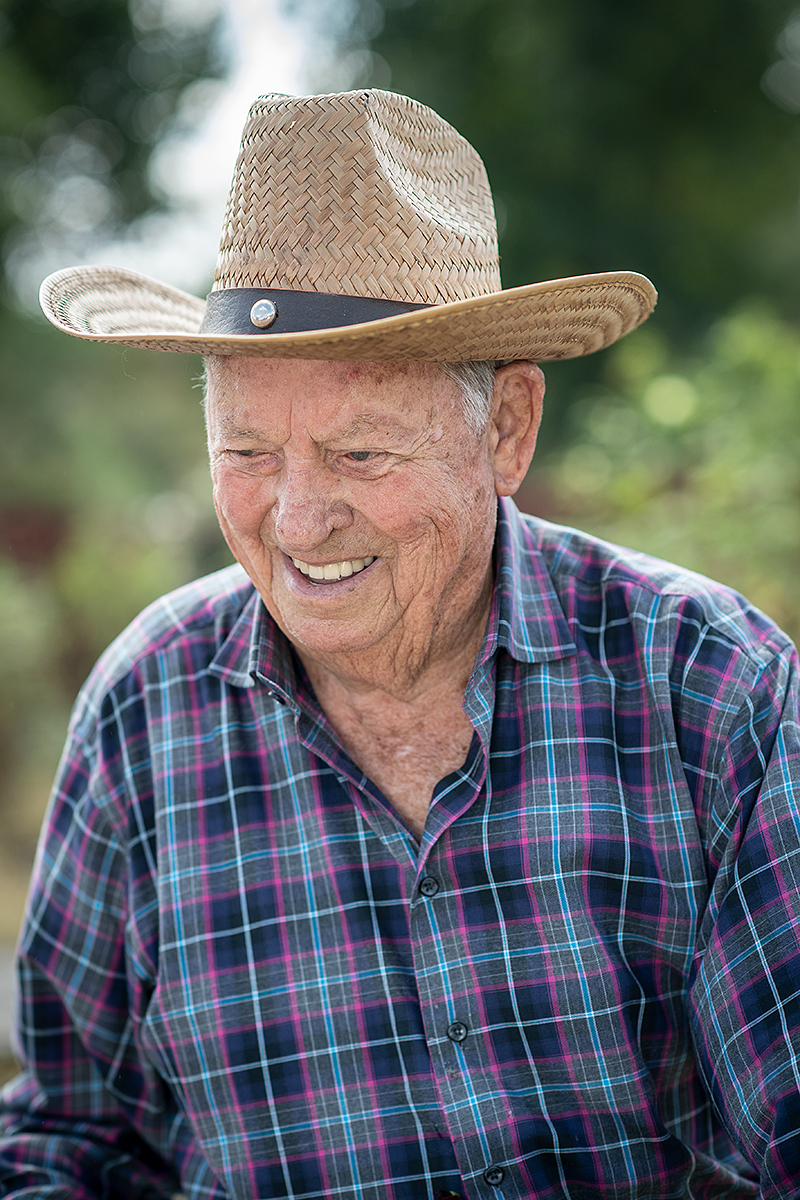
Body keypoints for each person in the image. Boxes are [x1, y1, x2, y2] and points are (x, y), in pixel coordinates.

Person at [0, 88, 797, 1200]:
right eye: (246, 451)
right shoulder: (146, 709)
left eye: (361, 453)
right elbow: (70, 1137)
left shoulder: (703, 684)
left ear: (506, 431)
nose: (294, 520)